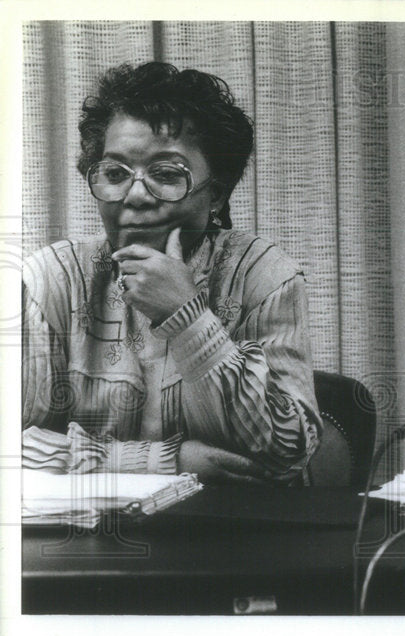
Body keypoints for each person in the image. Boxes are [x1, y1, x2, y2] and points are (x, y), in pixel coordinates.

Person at [22, 62, 326, 484]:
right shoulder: (53, 279)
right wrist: (159, 462)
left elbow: (286, 454)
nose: (136, 196)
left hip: (229, 537)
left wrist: (190, 319)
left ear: (216, 194)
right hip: (89, 539)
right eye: (114, 174)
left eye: (166, 175)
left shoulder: (262, 275)